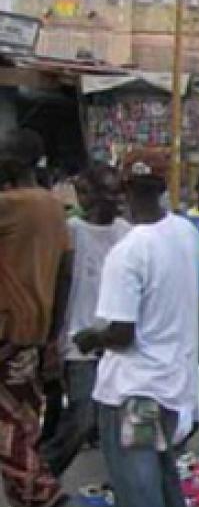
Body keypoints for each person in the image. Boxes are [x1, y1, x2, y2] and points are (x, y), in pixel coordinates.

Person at [73, 148, 199, 507]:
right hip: (173, 384)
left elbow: (122, 332)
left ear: (125, 190)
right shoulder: (186, 234)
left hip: (134, 390)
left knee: (138, 484)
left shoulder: (128, 252)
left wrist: (90, 338)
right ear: (165, 186)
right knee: (163, 475)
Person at [0, 129, 72, 507]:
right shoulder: (53, 208)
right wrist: (52, 334)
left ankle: (40, 492)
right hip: (34, 328)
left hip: (8, 326)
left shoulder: (11, 205)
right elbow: (65, 272)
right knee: (22, 418)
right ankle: (26, 501)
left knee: (9, 423)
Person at [43, 165, 130, 477]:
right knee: (82, 416)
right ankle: (42, 476)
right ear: (88, 195)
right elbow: (59, 284)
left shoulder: (127, 233)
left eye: (118, 191)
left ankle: (125, 482)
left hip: (118, 339)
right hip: (79, 339)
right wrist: (53, 339)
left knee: (124, 419)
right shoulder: (71, 232)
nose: (115, 199)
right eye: (108, 192)